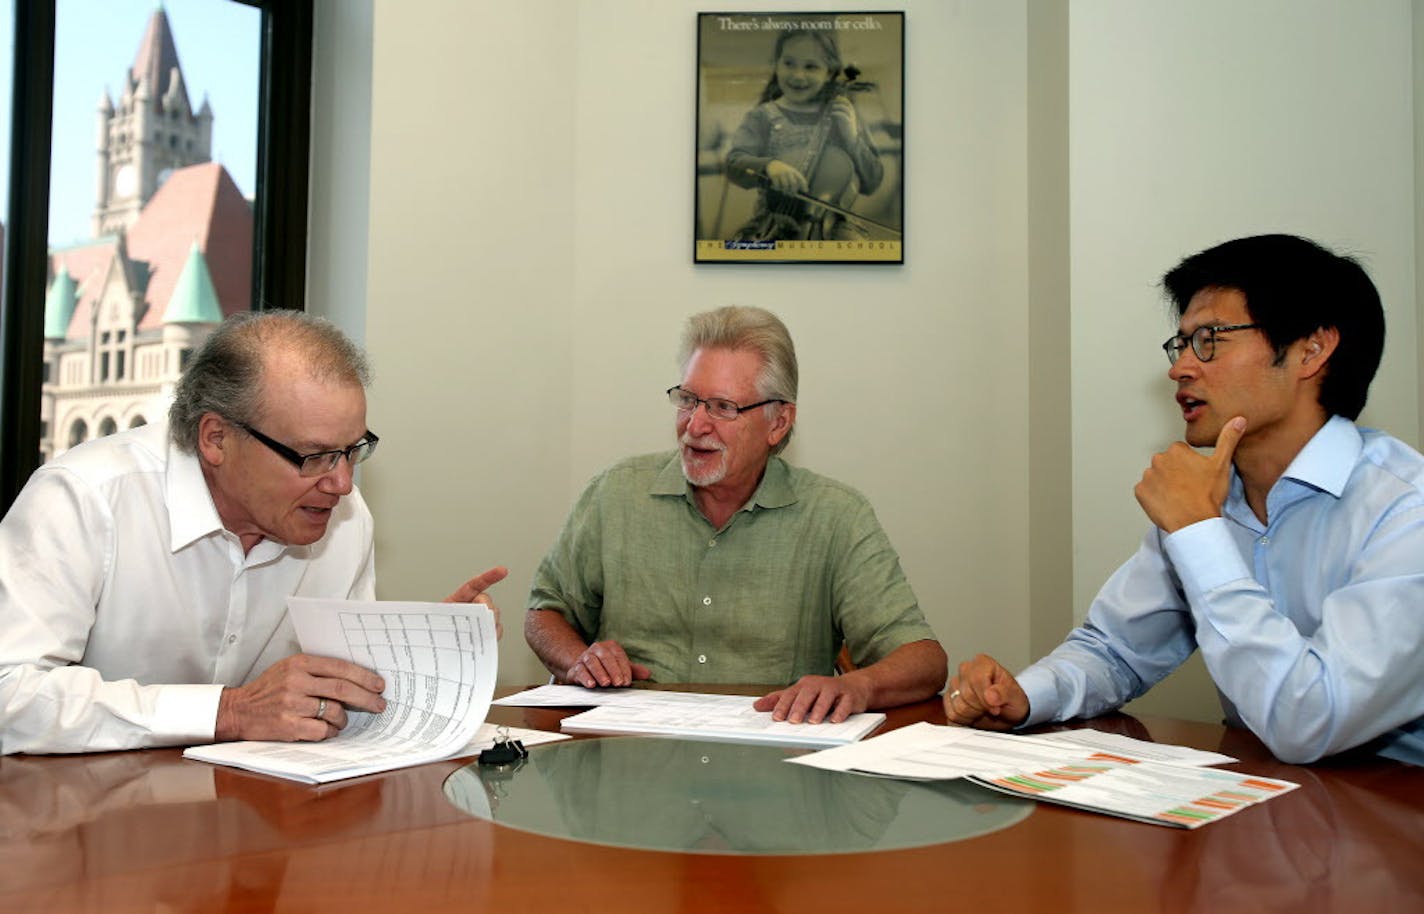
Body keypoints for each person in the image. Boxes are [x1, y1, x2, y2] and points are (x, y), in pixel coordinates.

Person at [945, 234, 1424, 766]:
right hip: (1276, 798)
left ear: (1311, 350)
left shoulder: (1406, 511)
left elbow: (1310, 719)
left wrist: (1199, 534)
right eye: (1183, 344)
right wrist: (1026, 697)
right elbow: (1116, 649)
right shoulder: (1215, 490)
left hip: (1396, 810)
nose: (1180, 369)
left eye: (1211, 339)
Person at [0, 310, 506, 755]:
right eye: (314, 456)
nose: (343, 483)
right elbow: (9, 694)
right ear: (216, 438)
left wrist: (425, 651)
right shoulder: (86, 499)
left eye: (354, 450)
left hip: (258, 826)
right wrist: (228, 711)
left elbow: (331, 697)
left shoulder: (345, 518)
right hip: (82, 826)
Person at [525, 305, 946, 724]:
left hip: (775, 764)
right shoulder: (616, 493)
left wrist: (856, 686)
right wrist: (579, 659)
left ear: (778, 422)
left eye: (723, 407)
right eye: (688, 400)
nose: (695, 425)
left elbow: (924, 659)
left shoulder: (836, 516)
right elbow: (545, 611)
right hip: (631, 755)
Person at [724, 28, 884, 242]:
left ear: (829, 73)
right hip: (772, 225)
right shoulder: (762, 116)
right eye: (789, 63)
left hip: (832, 227)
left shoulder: (845, 116)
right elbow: (734, 164)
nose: (798, 75)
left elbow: (872, 181)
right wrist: (770, 165)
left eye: (811, 66)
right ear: (776, 65)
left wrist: (852, 138)